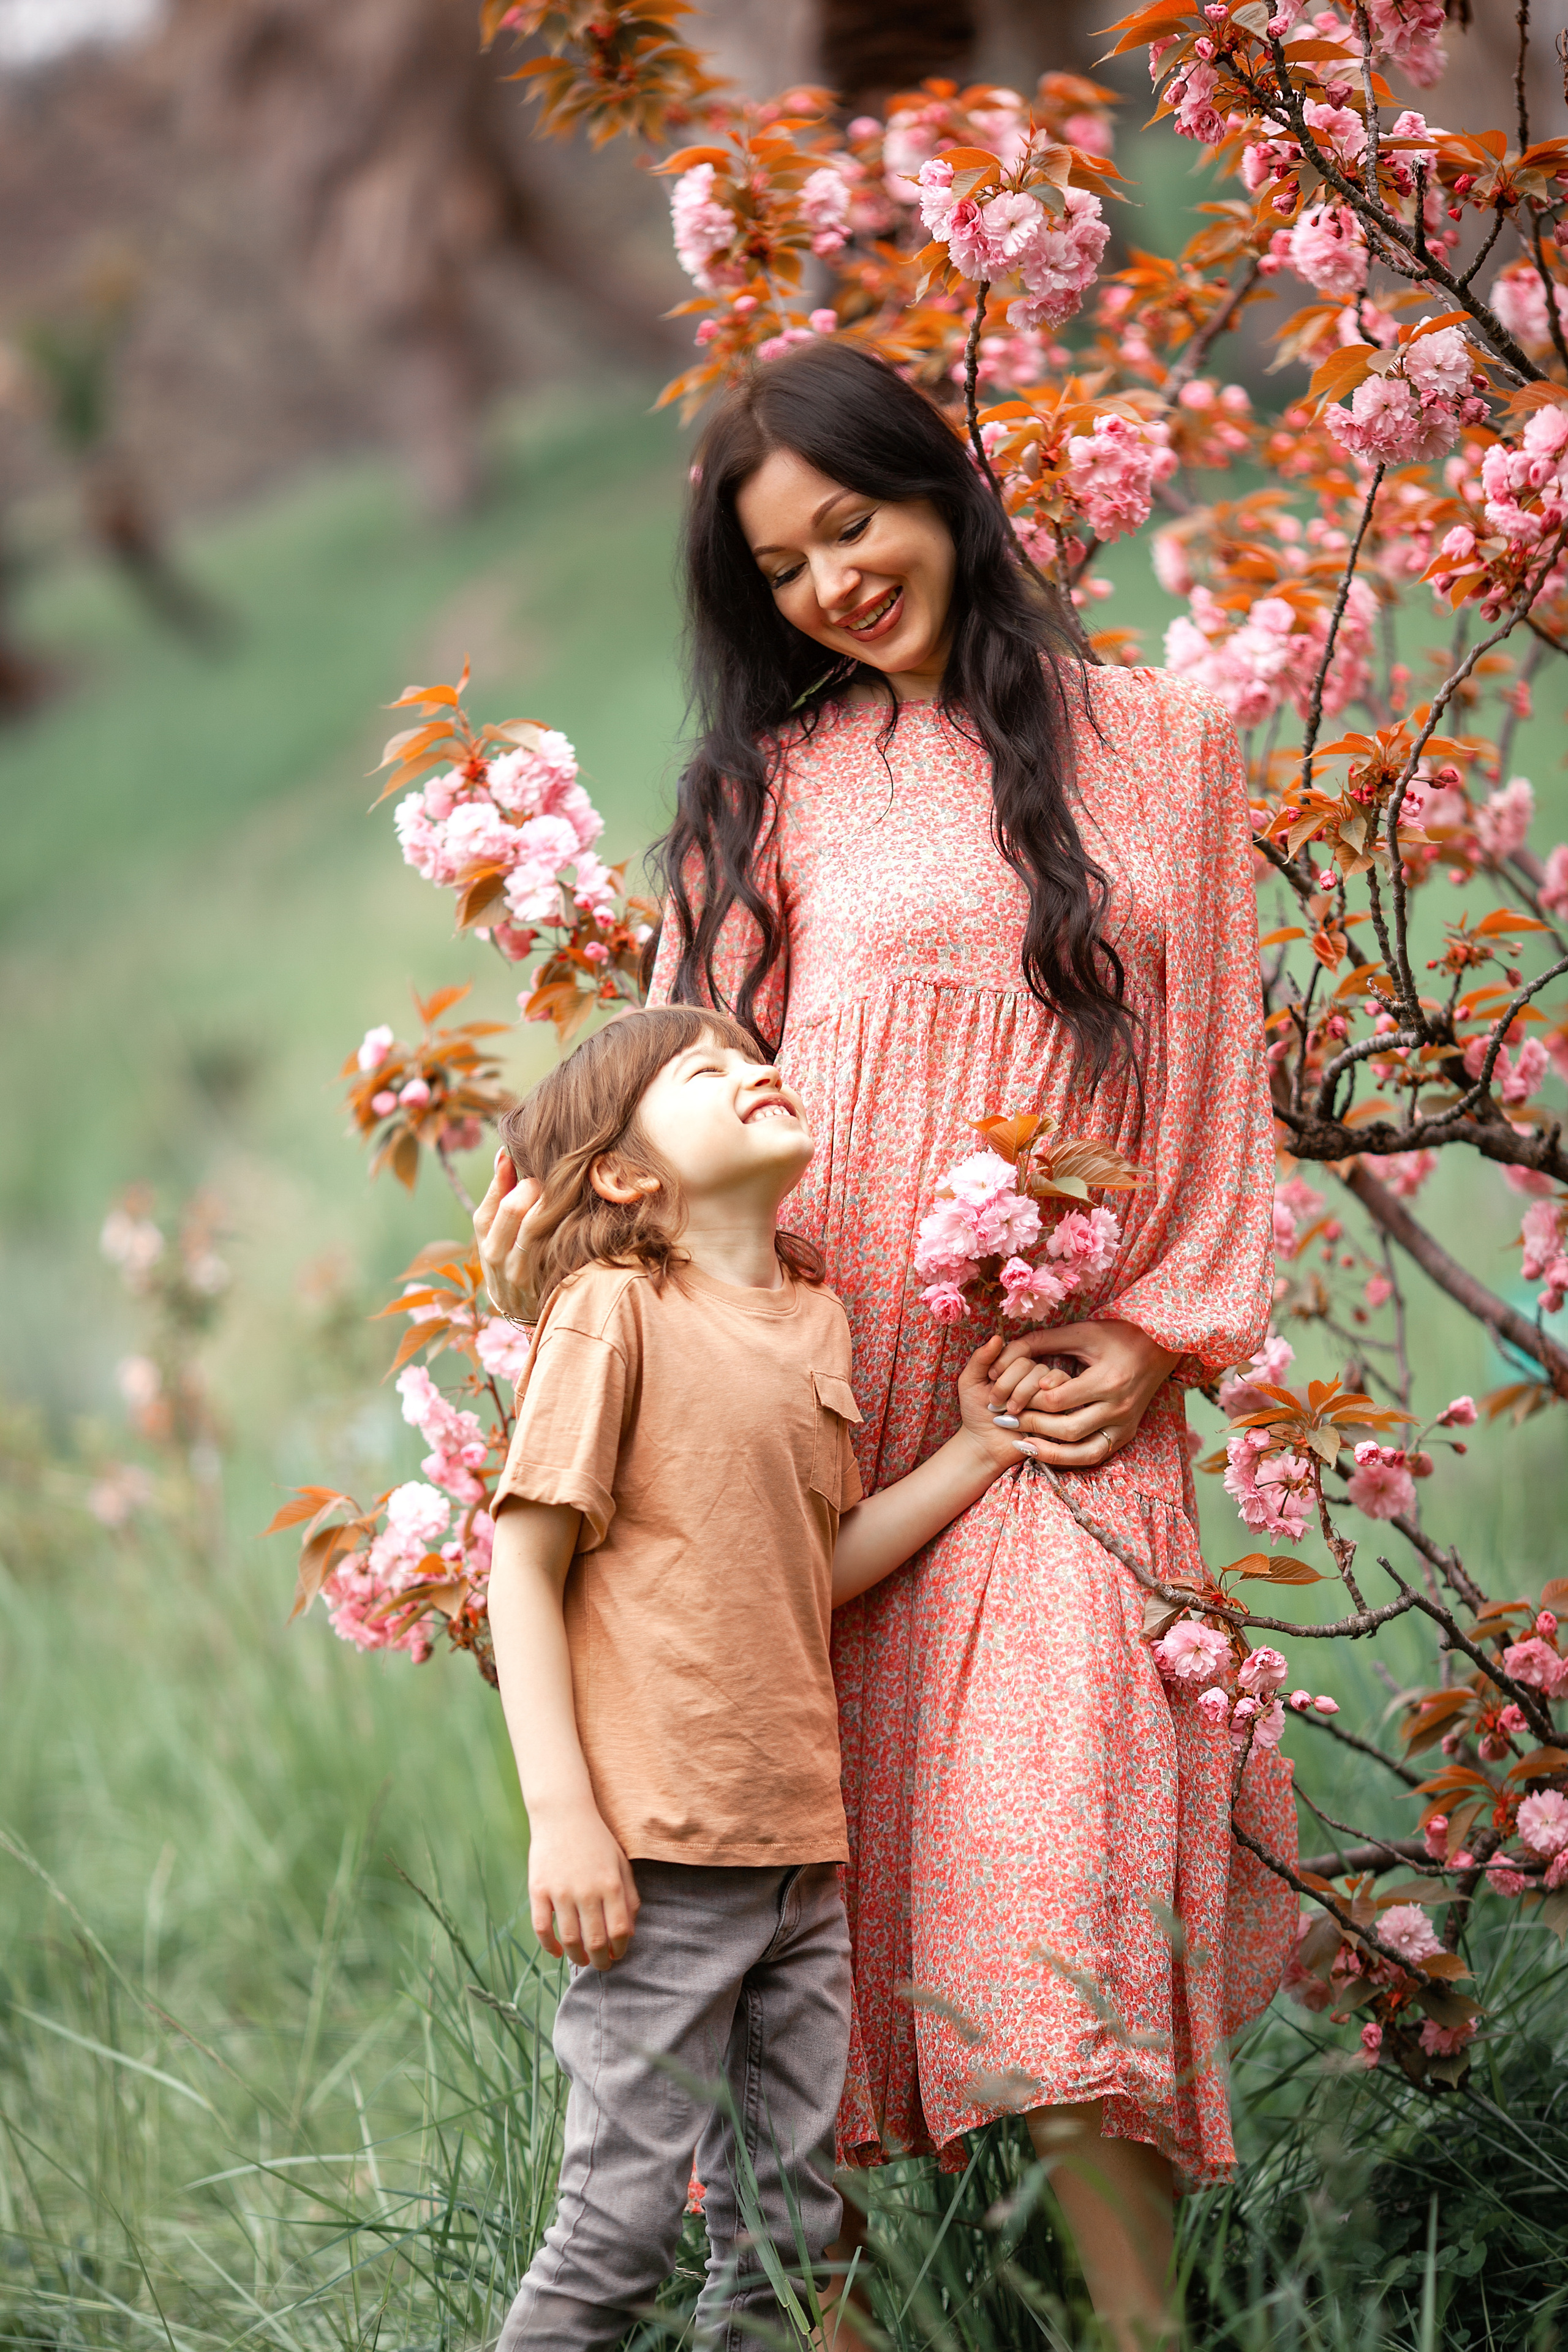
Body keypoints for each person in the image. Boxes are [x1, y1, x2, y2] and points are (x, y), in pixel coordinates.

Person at [475, 341, 1298, 2352]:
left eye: (854, 520)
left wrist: (1160, 1343)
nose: (834, 580)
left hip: (1045, 1408)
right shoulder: (770, 797)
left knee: (1051, 1887)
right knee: (788, 1979)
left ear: (937, 488)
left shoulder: (1168, 748)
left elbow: (1209, 1090)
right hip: (800, 1445)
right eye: (784, 566)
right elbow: (668, 1111)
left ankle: (1141, 2334)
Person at [485, 1003, 1042, 2350]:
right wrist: (563, 1818)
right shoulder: (611, 1312)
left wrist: (969, 1454)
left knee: (789, 2241)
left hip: (799, 1858)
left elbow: (813, 1564)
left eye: (756, 1057)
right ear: (623, 1175)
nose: (756, 1073)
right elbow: (521, 1565)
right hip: (661, 1862)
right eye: (705, 1072)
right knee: (613, 2235)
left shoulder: (811, 1322)